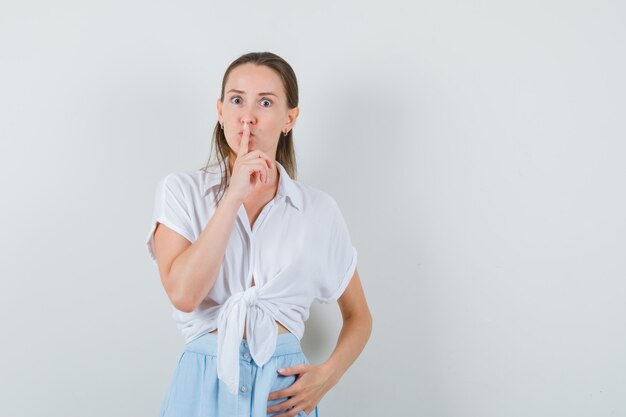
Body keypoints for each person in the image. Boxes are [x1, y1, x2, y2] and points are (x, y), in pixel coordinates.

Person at [146, 51, 372, 417]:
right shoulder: (181, 192)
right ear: (220, 111)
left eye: (265, 102)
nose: (247, 116)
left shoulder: (318, 210)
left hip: (283, 392)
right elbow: (184, 295)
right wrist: (233, 195)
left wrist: (327, 376)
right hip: (204, 383)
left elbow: (359, 316)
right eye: (237, 100)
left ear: (290, 118)